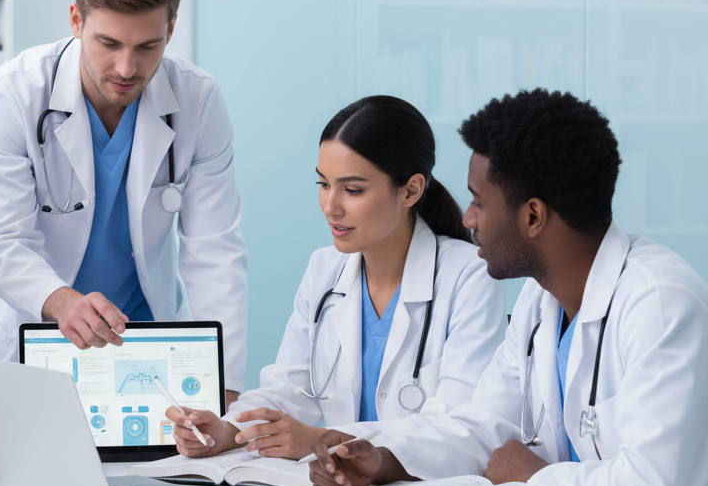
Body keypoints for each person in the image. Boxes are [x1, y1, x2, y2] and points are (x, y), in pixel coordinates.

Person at [308, 89, 708, 486]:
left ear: (532, 217)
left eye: (479, 201)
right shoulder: (542, 302)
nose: (467, 219)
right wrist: (383, 461)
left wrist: (534, 477)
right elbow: (483, 427)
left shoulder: (659, 303)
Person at [0, 0, 248, 400]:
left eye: (148, 46)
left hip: (143, 338)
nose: (126, 67)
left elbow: (214, 252)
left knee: (152, 470)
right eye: (108, 42)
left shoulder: (198, 100)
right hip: (33, 327)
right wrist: (63, 303)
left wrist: (225, 386)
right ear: (76, 20)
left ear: (171, 29)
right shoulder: (12, 93)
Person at [167, 95, 506, 460]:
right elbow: (288, 389)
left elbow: (459, 423)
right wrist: (227, 430)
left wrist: (325, 438)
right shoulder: (324, 269)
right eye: (324, 184)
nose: (331, 206)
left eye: (352, 190)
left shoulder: (469, 275)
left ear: (410, 190)